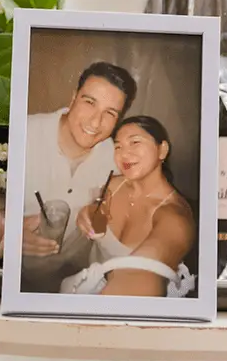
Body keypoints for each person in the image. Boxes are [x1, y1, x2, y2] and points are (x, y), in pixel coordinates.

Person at [21, 62, 137, 293]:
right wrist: (5, 229)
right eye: (89, 102)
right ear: (73, 97)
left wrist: (101, 213)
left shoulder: (117, 158)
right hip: (11, 279)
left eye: (110, 113)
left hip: (73, 281)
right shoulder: (23, 133)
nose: (95, 122)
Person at [65, 116, 196, 298]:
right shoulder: (112, 185)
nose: (123, 154)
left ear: (162, 150)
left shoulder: (175, 218)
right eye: (118, 146)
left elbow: (140, 273)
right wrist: (86, 212)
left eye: (134, 142)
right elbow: (95, 212)